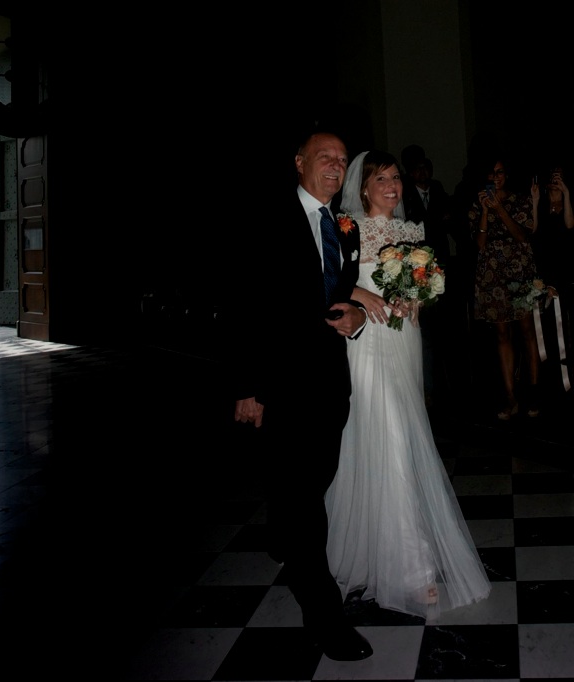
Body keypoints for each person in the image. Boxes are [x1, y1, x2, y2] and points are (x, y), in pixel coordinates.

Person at [324, 150, 492, 621]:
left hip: (404, 341)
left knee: (399, 435)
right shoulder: (347, 227)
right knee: (391, 439)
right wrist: (360, 292)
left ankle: (365, 546)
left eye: (395, 178)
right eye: (381, 179)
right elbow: (327, 279)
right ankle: (411, 568)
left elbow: (421, 284)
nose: (392, 186)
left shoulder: (412, 231)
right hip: (367, 343)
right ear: (363, 186)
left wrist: (418, 297)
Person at [234, 130, 372, 661]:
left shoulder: (345, 226)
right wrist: (248, 387)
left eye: (342, 158)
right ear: (299, 162)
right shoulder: (268, 219)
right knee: (306, 507)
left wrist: (357, 317)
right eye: (324, 157)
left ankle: (281, 532)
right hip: (283, 385)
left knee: (312, 483)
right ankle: (325, 617)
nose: (336, 165)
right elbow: (246, 303)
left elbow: (339, 292)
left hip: (330, 384)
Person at [468, 157, 542, 419]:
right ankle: (510, 395)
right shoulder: (477, 204)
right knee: (502, 335)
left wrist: (499, 208)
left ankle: (533, 391)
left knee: (527, 331)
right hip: (492, 274)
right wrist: (485, 211)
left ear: (506, 175)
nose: (495, 177)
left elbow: (522, 236)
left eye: (499, 172)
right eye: (491, 173)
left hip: (519, 271)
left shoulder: (520, 200)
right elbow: (479, 243)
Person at [400, 145, 455, 409]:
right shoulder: (405, 195)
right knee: (424, 332)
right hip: (418, 268)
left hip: (440, 265)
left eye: (426, 167)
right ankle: (427, 388)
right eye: (418, 168)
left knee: (446, 328)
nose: (424, 172)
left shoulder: (439, 189)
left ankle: (449, 386)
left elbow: (448, 219)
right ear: (410, 172)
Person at [529, 163, 574, 395]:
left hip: (566, 271)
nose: (555, 179)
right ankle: (551, 376)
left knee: (565, 323)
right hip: (545, 270)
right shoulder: (543, 203)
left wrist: (566, 194)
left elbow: (569, 225)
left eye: (560, 176)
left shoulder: (568, 202)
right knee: (546, 325)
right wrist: (535, 201)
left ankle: (569, 373)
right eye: (553, 175)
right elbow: (533, 230)